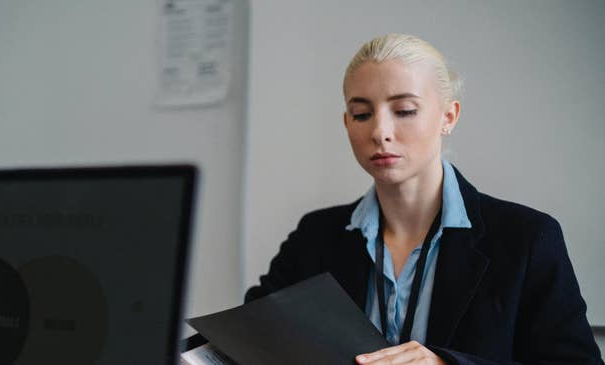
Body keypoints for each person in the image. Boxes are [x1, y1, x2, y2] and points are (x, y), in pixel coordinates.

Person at [244, 33, 603, 364]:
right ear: (346, 122)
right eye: (361, 114)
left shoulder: (526, 238)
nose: (380, 132)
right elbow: (248, 333)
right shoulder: (315, 235)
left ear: (448, 116)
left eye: (404, 111)